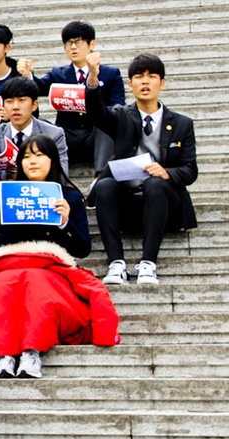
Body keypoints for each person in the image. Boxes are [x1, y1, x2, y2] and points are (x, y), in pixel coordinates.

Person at [85, 53, 198, 285]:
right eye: (139, 77)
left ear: (162, 83)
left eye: (151, 77)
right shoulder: (121, 116)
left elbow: (190, 170)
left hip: (164, 203)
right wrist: (93, 78)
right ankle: (116, 264)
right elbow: (97, 113)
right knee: (105, 185)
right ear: (130, 84)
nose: (145, 82)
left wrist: (166, 172)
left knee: (156, 183)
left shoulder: (182, 124)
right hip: (128, 201)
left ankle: (148, 263)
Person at [0, 240, 119, 379]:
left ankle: (2, 356)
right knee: (43, 304)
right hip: (54, 315)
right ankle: (31, 354)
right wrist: (105, 336)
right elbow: (97, 292)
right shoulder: (61, 269)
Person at [20, 21, 125, 173]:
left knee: (108, 123)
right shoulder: (58, 73)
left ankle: (101, 174)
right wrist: (28, 75)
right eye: (69, 43)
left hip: (95, 135)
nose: (73, 47)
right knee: (41, 126)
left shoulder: (110, 73)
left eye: (78, 42)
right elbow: (39, 87)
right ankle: (57, 176)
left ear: (92, 44)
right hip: (67, 133)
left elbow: (117, 105)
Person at [0, 133, 91, 258]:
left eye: (39, 155)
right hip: (12, 264)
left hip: (54, 266)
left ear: (52, 160)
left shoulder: (70, 197)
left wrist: (65, 223)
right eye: (26, 157)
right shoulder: (9, 193)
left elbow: (83, 250)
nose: (32, 161)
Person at [0, 77, 69, 185]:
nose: (15, 107)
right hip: (2, 194)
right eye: (9, 101)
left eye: (21, 100)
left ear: (34, 105)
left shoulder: (54, 134)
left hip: (41, 191)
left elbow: (62, 175)